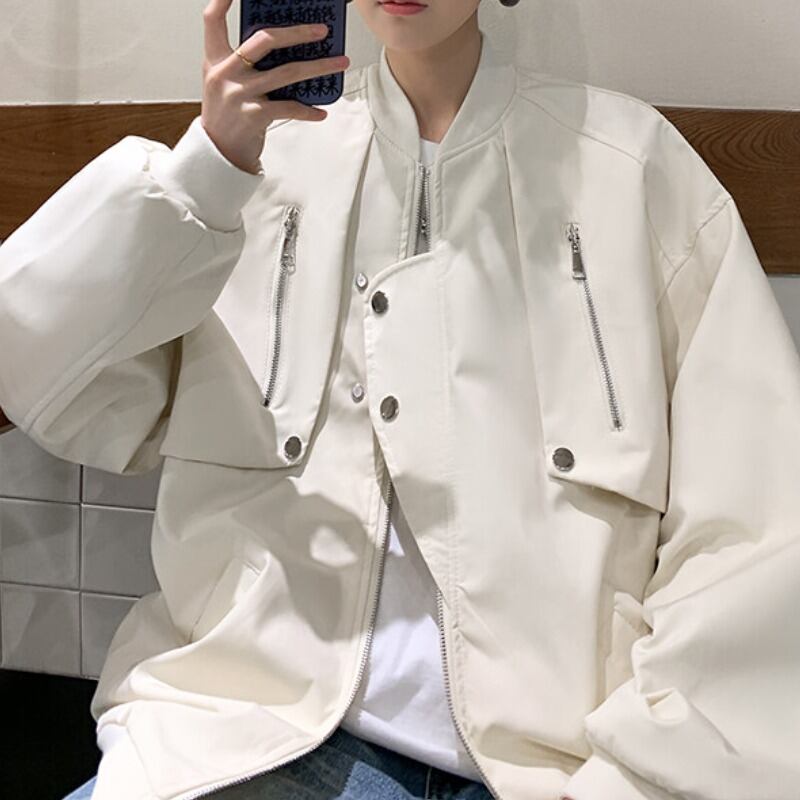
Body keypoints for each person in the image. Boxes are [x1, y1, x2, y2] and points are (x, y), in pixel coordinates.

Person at [1, 0, 798, 798]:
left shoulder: (629, 168)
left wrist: (635, 778)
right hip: (242, 733)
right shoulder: (260, 167)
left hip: (546, 767)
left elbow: (755, 532)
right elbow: (43, 375)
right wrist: (204, 173)